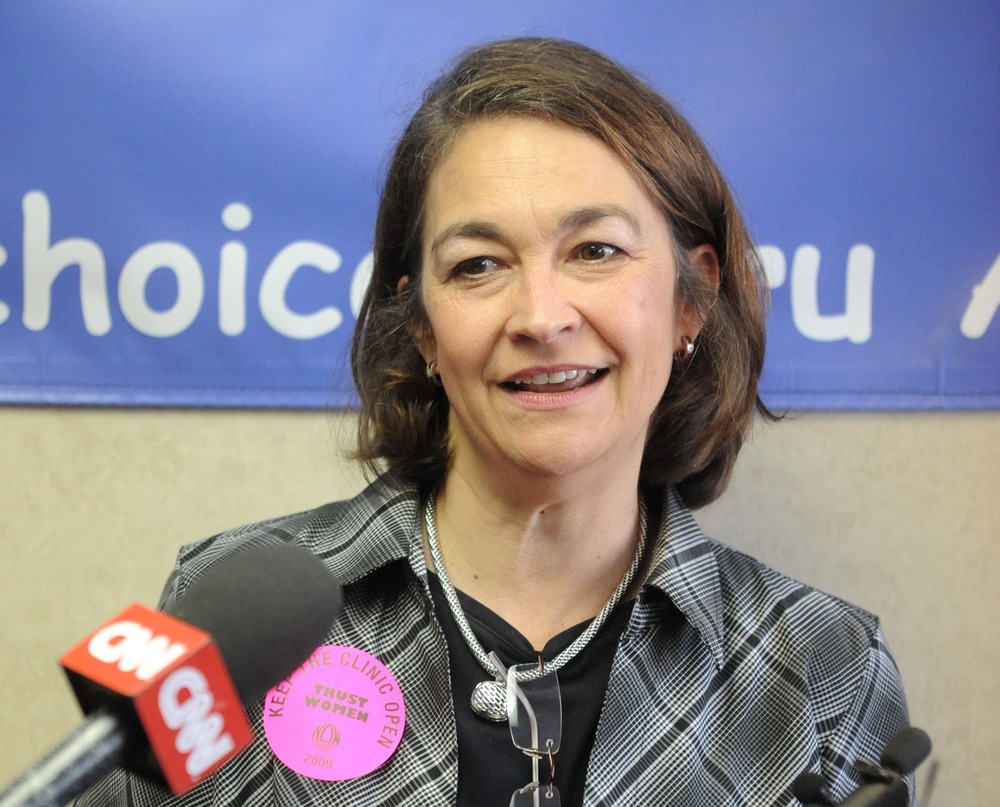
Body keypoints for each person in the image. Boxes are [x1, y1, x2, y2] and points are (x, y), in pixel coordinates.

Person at [79, 37, 910, 806]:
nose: (541, 316)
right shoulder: (225, 614)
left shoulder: (825, 668)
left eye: (596, 251)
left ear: (690, 299)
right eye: (478, 265)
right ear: (423, 327)